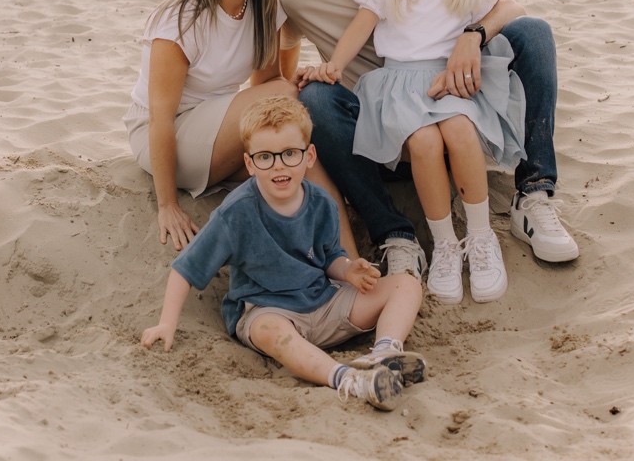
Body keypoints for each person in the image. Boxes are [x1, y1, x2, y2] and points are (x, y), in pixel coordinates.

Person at [279, 0, 580, 281]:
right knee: (315, 97)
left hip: (447, 92)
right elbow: (277, 53)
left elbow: (505, 3)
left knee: (534, 32)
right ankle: (398, 236)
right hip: (382, 120)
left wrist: (471, 38)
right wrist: (321, 70)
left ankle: (532, 197)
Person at [141, 95, 427, 412]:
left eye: (290, 154)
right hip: (268, 310)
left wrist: (347, 270)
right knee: (272, 332)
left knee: (406, 283)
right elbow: (186, 268)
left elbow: (328, 258)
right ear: (250, 163)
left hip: (323, 303)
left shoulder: (321, 202)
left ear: (309, 156)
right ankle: (349, 379)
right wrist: (166, 324)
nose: (279, 165)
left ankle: (384, 354)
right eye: (266, 157)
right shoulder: (236, 213)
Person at [124, 0, 350, 252]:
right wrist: (168, 206)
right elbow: (160, 118)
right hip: (163, 135)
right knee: (287, 102)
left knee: (301, 165)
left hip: (215, 129)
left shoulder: (263, 7)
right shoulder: (180, 20)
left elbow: (265, 85)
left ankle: (346, 257)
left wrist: (300, 79)